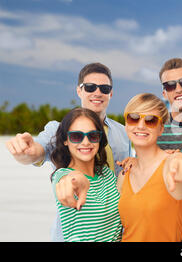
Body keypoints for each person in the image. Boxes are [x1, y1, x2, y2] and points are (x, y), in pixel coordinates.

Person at [5, 62, 132, 241]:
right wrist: (25, 152)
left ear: (111, 93)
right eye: (90, 87)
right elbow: (37, 152)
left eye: (104, 88)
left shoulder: (123, 133)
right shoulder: (58, 129)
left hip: (116, 231)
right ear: (79, 91)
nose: (97, 92)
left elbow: (127, 176)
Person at [117, 93, 182, 242]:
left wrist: (181, 159)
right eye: (133, 118)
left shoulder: (170, 165)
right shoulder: (125, 173)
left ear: (161, 129)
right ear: (126, 124)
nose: (141, 125)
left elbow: (178, 163)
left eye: (151, 120)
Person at [50, 107, 122, 242]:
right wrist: (76, 180)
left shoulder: (107, 174)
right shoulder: (62, 175)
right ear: (65, 140)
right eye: (76, 136)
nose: (86, 142)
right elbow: (70, 180)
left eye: (93, 136)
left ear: (99, 139)